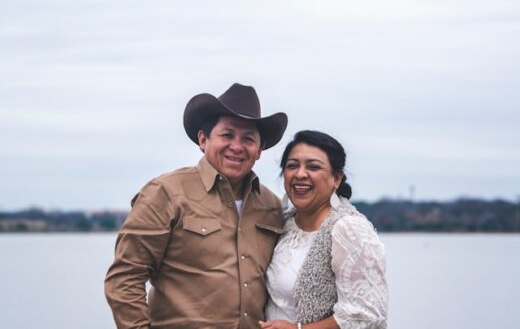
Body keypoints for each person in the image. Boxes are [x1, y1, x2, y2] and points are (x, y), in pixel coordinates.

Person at [104, 83, 288, 329]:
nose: (237, 146)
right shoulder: (166, 193)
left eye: (248, 139)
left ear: (259, 150)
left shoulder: (271, 205)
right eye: (227, 134)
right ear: (203, 139)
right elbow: (125, 278)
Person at [259, 130, 388, 329]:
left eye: (313, 166)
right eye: (292, 165)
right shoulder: (282, 223)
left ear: (336, 179)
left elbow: (367, 316)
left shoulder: (348, 229)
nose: (300, 174)